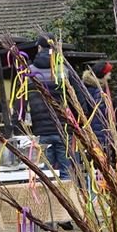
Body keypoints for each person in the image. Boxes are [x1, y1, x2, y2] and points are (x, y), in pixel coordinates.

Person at [17, 34, 72, 179]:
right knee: (68, 174)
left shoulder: (29, 72)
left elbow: (20, 102)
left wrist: (19, 124)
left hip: (40, 131)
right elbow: (77, 98)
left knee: (46, 176)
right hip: (63, 129)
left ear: (39, 47)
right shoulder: (64, 70)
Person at [82, 61, 113, 150]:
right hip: (98, 130)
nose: (110, 75)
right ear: (102, 74)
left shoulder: (89, 87)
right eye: (108, 72)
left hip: (94, 128)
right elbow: (101, 113)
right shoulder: (98, 90)